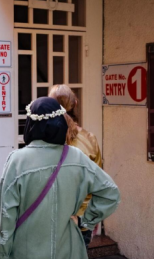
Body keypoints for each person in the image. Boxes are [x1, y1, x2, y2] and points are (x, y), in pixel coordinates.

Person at [0, 97, 120, 259]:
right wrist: (84, 222)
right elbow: (111, 193)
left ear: (31, 125)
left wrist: (1, 254)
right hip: (69, 249)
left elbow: (4, 219)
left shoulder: (17, 161)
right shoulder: (77, 158)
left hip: (26, 250)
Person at [49, 84, 103, 247]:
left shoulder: (47, 139)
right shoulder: (90, 138)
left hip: (51, 217)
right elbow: (98, 182)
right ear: (75, 104)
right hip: (82, 218)